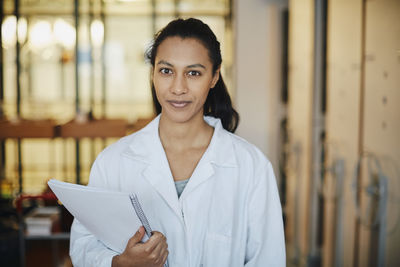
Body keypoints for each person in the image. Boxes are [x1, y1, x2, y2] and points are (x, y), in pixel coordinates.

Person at [70, 18, 285, 267]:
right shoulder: (113, 162)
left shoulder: (251, 166)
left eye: (193, 73)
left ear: (214, 76)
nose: (178, 88)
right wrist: (119, 263)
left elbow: (268, 260)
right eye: (166, 71)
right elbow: (84, 246)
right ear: (152, 73)